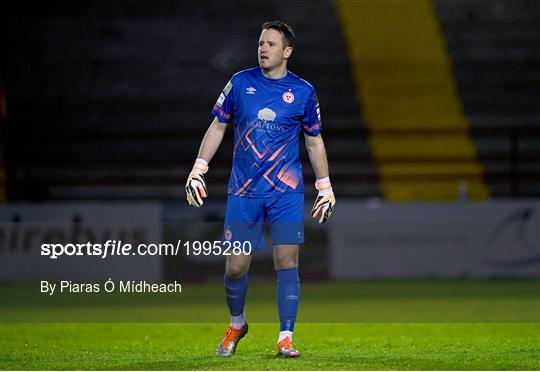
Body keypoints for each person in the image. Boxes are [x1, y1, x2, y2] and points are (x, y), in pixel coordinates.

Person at [185, 20, 335, 358]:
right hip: (244, 191)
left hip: (286, 192)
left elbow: (314, 141)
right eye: (260, 43)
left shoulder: (303, 92)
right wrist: (198, 168)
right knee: (235, 267)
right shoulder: (240, 83)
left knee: (286, 260)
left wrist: (325, 187)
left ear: (287, 51)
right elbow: (218, 126)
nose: (263, 48)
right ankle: (237, 323)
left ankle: (285, 337)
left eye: (270, 44)